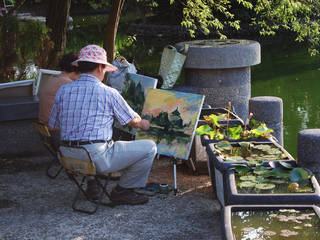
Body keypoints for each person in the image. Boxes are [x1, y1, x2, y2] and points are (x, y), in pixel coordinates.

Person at [49, 44, 157, 205]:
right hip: (95, 158)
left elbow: (54, 126)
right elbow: (133, 121)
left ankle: (92, 184)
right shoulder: (108, 92)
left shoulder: (64, 90)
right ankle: (123, 191)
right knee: (149, 147)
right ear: (100, 67)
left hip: (66, 156)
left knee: (94, 141)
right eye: (105, 68)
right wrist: (145, 124)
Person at [38, 52, 80, 150]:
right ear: (78, 67)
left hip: (46, 133)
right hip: (57, 136)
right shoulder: (67, 84)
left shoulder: (53, 79)